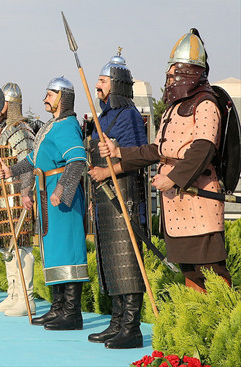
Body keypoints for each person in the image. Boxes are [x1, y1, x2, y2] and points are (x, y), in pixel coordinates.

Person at [99, 29, 232, 293]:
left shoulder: (206, 103)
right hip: (176, 201)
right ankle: (198, 319)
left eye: (174, 72)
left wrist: (172, 177)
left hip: (199, 196)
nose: (169, 78)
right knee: (189, 269)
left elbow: (203, 148)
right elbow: (157, 150)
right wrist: (119, 152)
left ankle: (223, 316)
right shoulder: (172, 109)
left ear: (189, 72)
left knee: (213, 269)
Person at [0, 77, 89, 330]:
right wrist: (12, 171)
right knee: (53, 251)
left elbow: (77, 160)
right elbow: (33, 157)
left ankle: (72, 313)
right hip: (46, 193)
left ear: (62, 96)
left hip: (60, 197)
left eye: (49, 94)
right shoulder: (51, 125)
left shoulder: (68, 125)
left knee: (67, 249)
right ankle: (58, 308)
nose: (45, 99)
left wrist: (61, 189)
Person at [86, 53, 147, 349]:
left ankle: (131, 328)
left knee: (128, 262)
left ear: (117, 84)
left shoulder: (130, 115)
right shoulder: (104, 117)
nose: (97, 86)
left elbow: (137, 158)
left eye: (102, 80)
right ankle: (117, 322)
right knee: (110, 262)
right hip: (104, 200)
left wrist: (105, 170)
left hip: (125, 196)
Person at [0, 82, 36, 317]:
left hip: (18, 196)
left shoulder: (21, 130)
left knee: (22, 246)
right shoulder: (4, 131)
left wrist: (26, 191)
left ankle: (27, 299)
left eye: (0, 104)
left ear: (8, 104)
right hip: (5, 196)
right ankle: (14, 294)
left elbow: (28, 164)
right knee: (9, 247)